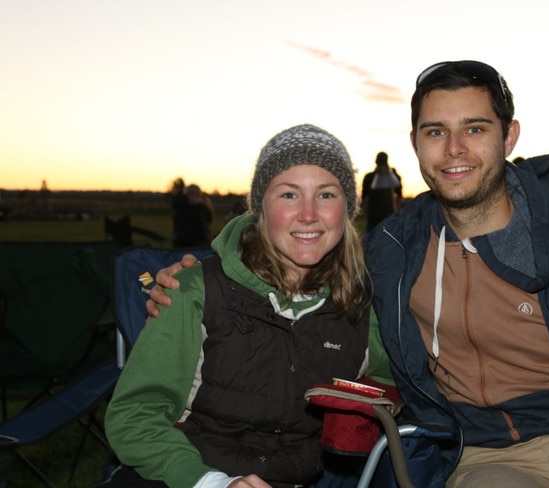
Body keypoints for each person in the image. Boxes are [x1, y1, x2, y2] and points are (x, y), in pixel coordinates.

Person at [149, 60, 549, 488]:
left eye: (474, 128)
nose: (454, 149)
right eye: (436, 132)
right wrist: (201, 274)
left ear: (509, 135)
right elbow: (299, 265)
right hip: (491, 458)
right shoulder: (392, 251)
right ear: (415, 143)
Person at [104, 124, 373, 488]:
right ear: (260, 206)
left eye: (326, 195)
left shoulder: (361, 306)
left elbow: (399, 381)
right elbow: (135, 416)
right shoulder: (193, 290)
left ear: (348, 209)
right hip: (186, 474)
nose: (308, 214)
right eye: (289, 195)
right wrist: (210, 482)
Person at [361, 151, 403, 232]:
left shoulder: (370, 177)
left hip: (385, 217)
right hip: (377, 218)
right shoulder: (370, 177)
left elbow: (364, 199)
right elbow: (400, 196)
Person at [171, 181, 215, 248]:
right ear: (186, 195)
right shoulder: (182, 207)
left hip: (200, 244)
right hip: (183, 244)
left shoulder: (203, 207)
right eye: (191, 193)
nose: (194, 196)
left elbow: (207, 222)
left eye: (196, 193)